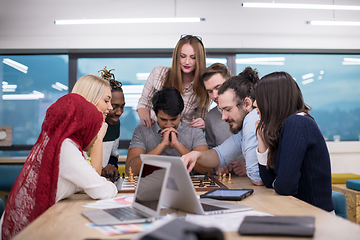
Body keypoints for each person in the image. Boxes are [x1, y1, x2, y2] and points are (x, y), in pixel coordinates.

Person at [1, 93, 118, 240]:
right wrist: (111, 186)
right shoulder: (65, 148)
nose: (95, 137)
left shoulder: (60, 144)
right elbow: (101, 190)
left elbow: (79, 182)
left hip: (32, 222)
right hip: (26, 232)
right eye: (94, 129)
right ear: (84, 127)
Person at [254, 71, 334, 212]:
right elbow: (267, 181)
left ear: (272, 100)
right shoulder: (287, 125)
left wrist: (278, 182)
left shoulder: (297, 123)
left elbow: (285, 186)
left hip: (317, 218)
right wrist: (261, 139)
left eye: (259, 98)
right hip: (300, 212)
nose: (255, 104)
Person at [182, 67, 263, 186]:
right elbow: (220, 154)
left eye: (228, 109)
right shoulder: (243, 129)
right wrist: (196, 155)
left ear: (247, 103)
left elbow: (256, 178)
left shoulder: (252, 119)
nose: (223, 117)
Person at [126, 87, 211, 176]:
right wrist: (162, 146)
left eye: (173, 119)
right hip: (150, 186)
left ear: (181, 114)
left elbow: (207, 169)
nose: (169, 125)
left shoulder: (194, 131)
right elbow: (130, 170)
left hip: (186, 187)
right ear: (155, 114)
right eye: (163, 119)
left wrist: (177, 145)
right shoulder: (142, 131)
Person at [137, 35, 209, 129]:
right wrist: (146, 120)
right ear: (176, 56)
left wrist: (202, 124)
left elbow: (200, 122)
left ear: (199, 59)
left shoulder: (204, 86)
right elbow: (143, 104)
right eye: (183, 56)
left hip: (184, 138)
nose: (187, 62)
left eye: (193, 57)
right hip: (155, 133)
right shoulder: (158, 74)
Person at [202, 63, 246, 177]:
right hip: (227, 180)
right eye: (210, 91)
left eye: (218, 87)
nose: (215, 95)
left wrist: (250, 166)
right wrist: (218, 165)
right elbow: (211, 149)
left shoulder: (250, 111)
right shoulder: (210, 117)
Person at [71, 74, 113, 175]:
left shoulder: (86, 133)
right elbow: (94, 177)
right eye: (106, 101)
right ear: (90, 100)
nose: (110, 107)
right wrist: (98, 138)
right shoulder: (70, 137)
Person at [98, 67, 125, 180]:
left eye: (122, 106)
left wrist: (112, 167)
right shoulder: (86, 125)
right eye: (114, 107)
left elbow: (113, 155)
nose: (119, 112)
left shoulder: (115, 124)